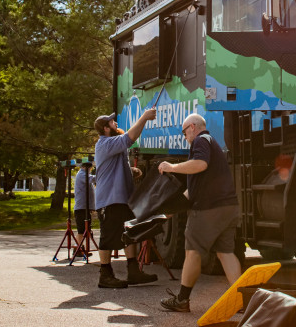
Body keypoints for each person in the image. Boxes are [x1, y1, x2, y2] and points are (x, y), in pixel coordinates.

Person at [158, 113, 241, 312]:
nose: (185, 136)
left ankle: (182, 300)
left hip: (208, 208)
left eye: (184, 131)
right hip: (228, 207)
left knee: (192, 251)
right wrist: (173, 208)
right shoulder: (213, 143)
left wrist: (173, 167)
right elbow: (194, 188)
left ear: (193, 127)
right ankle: (241, 299)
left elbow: (200, 164)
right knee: (226, 253)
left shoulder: (201, 141)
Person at [94, 109, 159, 289]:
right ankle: (105, 275)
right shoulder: (105, 143)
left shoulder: (111, 144)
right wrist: (144, 118)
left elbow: (111, 168)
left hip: (122, 198)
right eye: (112, 123)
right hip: (109, 199)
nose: (116, 124)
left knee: (130, 233)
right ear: (106, 129)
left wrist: (131, 171)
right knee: (108, 237)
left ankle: (133, 271)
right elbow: (129, 138)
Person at [73, 162, 96, 257]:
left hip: (84, 207)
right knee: (82, 230)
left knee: (85, 230)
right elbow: (92, 179)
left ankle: (79, 248)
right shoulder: (82, 174)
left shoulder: (84, 174)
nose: (90, 169)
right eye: (90, 167)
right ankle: (77, 248)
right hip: (81, 207)